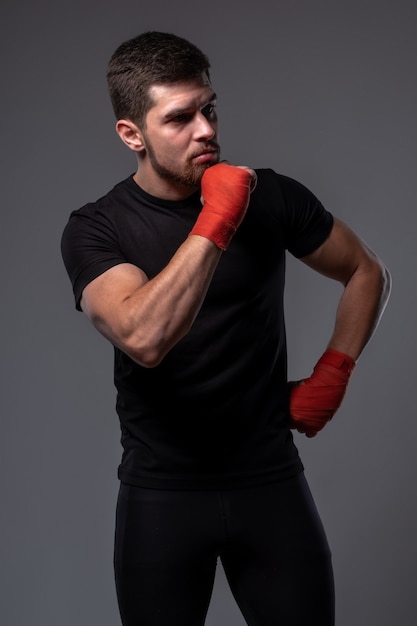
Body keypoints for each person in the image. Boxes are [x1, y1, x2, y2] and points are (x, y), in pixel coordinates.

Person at [61, 31, 391, 626]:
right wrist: (217, 220)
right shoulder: (97, 229)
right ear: (131, 134)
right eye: (180, 118)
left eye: (208, 108)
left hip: (270, 481)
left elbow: (366, 269)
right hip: (161, 496)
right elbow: (143, 338)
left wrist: (334, 372)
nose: (206, 129)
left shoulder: (270, 197)